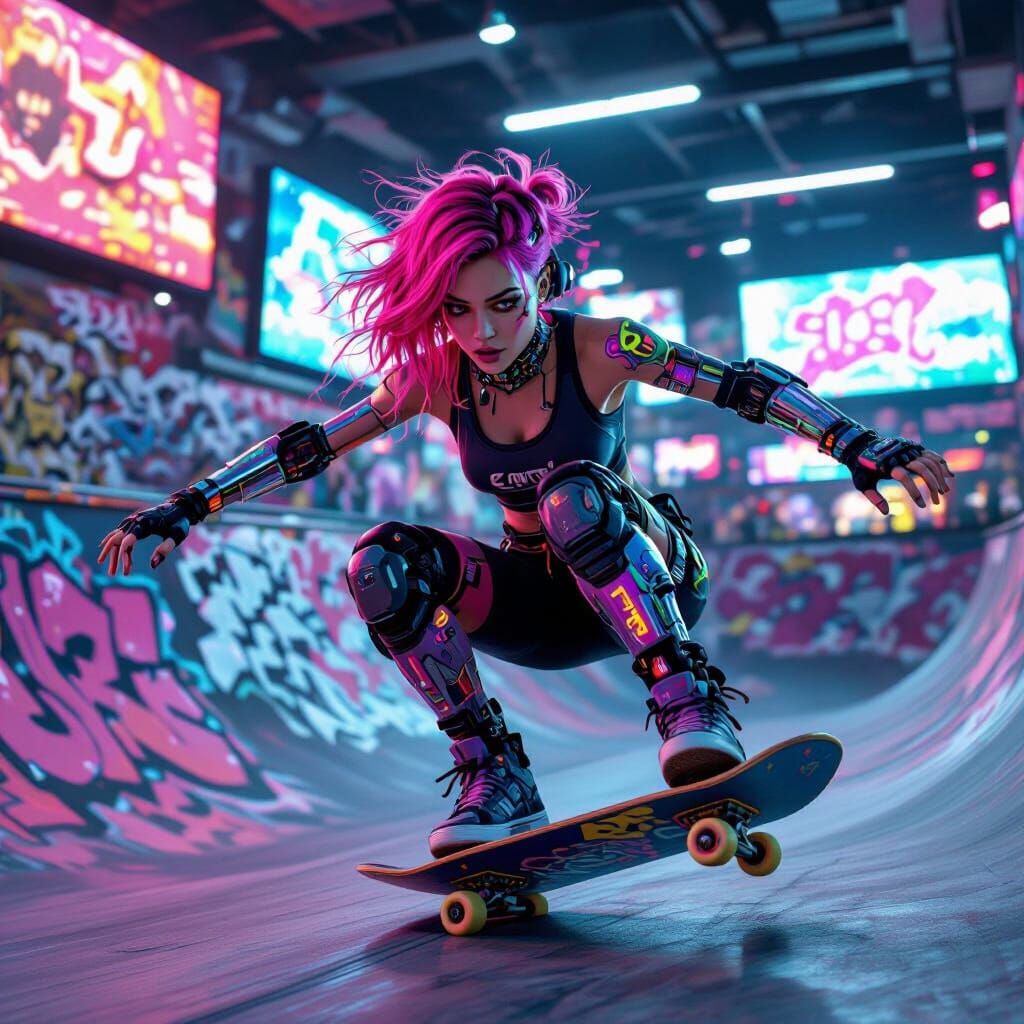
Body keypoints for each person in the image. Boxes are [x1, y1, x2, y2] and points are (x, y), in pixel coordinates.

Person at [96, 149, 955, 858]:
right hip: (544, 607)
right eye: (459, 311)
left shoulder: (606, 345)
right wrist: (187, 505)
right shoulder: (436, 375)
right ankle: (492, 772)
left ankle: (687, 700)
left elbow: (740, 385)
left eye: (506, 303)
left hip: (650, 576)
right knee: (380, 565)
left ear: (544, 278)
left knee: (570, 494)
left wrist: (858, 444)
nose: (483, 331)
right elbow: (311, 444)